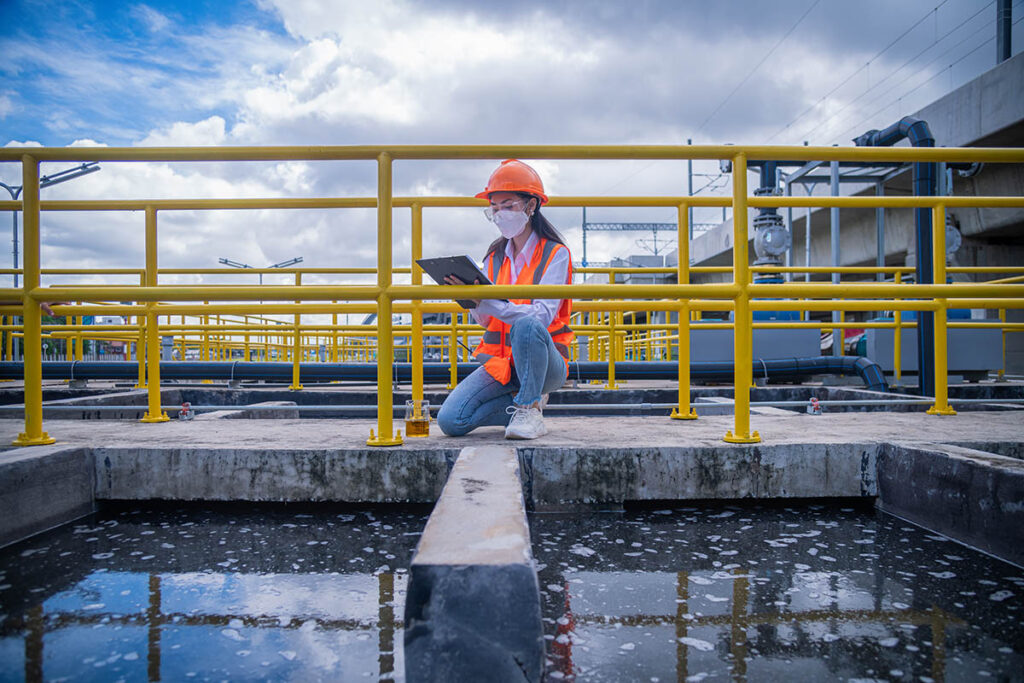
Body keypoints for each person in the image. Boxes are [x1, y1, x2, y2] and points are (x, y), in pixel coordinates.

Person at [436, 159, 574, 440]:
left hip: (546, 365)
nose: (500, 214)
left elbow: (541, 318)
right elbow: (487, 320)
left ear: (531, 205)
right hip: (502, 364)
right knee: (451, 421)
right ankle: (525, 403)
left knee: (526, 323)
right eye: (495, 208)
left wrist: (490, 303)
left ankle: (530, 405)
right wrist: (473, 302)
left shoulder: (556, 254)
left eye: (508, 205)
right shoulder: (493, 257)